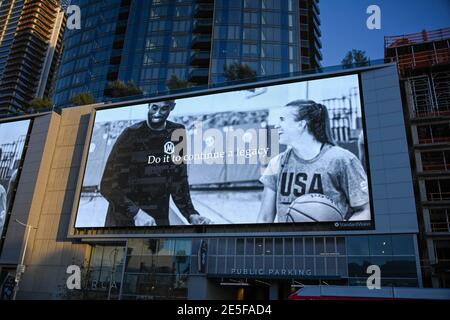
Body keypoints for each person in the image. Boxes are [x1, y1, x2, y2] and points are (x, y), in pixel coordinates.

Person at [100, 100, 211, 227]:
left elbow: (178, 180)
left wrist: (191, 214)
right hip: (124, 222)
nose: (157, 113)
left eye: (164, 108)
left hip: (158, 220)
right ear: (148, 105)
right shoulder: (130, 135)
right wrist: (136, 213)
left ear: (172, 108)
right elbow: (107, 185)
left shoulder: (177, 132)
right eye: (154, 107)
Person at [257, 100, 370, 223]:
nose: (277, 126)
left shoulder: (343, 160)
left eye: (282, 120)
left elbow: (365, 210)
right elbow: (264, 218)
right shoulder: (277, 163)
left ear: (301, 125)